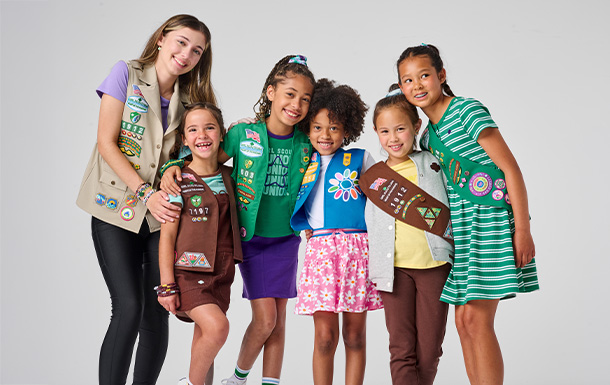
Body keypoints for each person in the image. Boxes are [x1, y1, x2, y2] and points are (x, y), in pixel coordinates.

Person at [76, 14, 216, 385]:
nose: (186, 54)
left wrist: (175, 167)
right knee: (128, 306)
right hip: (115, 207)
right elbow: (106, 142)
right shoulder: (126, 73)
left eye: (197, 51)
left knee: (157, 310)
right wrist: (145, 192)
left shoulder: (193, 100)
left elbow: (199, 150)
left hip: (162, 217)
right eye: (181, 42)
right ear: (162, 38)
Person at [161, 55, 316, 385]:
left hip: (285, 240)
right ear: (271, 92)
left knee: (279, 320)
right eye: (290, 94)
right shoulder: (245, 134)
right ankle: (238, 378)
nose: (297, 104)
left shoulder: (306, 143)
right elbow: (204, 160)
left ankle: (267, 382)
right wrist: (170, 167)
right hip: (249, 240)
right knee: (266, 319)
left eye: (305, 99)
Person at [395, 44, 539, 385]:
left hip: (489, 224)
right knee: (464, 323)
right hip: (461, 231)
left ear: (442, 76)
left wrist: (522, 229)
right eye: (407, 80)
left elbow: (511, 170)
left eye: (424, 75)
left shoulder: (467, 111)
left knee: (476, 321)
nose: (417, 85)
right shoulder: (427, 136)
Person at [360, 85, 454, 385]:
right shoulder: (374, 178)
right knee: (401, 349)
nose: (393, 138)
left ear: (416, 127)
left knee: (429, 350)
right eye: (385, 131)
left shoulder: (434, 163)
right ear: (376, 132)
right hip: (393, 272)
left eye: (400, 129)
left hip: (435, 268)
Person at [291, 79, 382, 385]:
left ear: (347, 129)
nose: (325, 135)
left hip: (358, 251)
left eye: (333, 127)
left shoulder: (359, 158)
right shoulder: (303, 161)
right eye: (317, 127)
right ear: (307, 128)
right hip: (322, 255)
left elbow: (386, 201)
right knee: (324, 338)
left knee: (355, 336)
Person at [157, 103, 242, 385]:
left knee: (205, 341)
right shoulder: (178, 182)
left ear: (221, 134)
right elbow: (167, 237)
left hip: (222, 272)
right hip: (187, 274)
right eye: (192, 129)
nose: (201, 135)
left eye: (209, 127)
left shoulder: (232, 177)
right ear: (184, 139)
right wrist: (167, 285)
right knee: (218, 329)